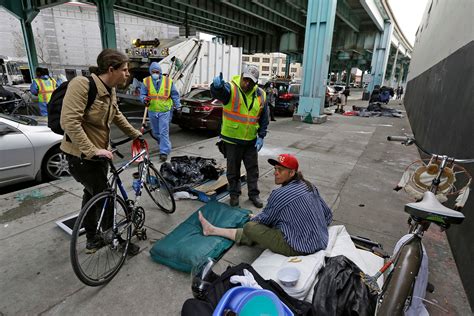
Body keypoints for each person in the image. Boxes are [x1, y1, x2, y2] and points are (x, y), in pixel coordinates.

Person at [60, 49, 142, 255]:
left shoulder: (110, 88)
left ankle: (92, 239)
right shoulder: (82, 85)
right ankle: (114, 239)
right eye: (124, 70)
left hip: (99, 156)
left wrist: (135, 134)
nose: (127, 74)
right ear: (111, 69)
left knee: (91, 195)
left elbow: (116, 115)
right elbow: (69, 121)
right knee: (106, 196)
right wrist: (92, 150)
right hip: (81, 157)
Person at [198, 154, 333, 256]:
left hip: (300, 247)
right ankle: (213, 230)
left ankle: (212, 230)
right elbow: (327, 215)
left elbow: (264, 221)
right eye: (275, 169)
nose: (275, 173)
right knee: (275, 221)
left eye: (280, 170)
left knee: (250, 227)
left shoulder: (280, 194)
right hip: (321, 239)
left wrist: (254, 219)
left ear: (291, 173)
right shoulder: (308, 185)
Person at [210, 65, 269, 208]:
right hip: (232, 140)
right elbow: (220, 93)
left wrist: (261, 136)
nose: (247, 83)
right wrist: (216, 87)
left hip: (250, 141)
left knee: (252, 170)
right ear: (242, 76)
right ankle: (234, 195)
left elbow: (263, 118)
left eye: (251, 81)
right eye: (246, 79)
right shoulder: (231, 89)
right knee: (233, 171)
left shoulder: (261, 94)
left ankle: (254, 194)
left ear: (256, 82)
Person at [140, 62, 181, 162]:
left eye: (157, 72)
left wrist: (178, 106)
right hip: (152, 110)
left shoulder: (168, 81)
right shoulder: (146, 81)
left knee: (163, 132)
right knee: (156, 132)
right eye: (153, 72)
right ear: (150, 72)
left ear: (160, 72)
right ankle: (165, 144)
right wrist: (144, 99)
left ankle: (164, 152)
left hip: (165, 110)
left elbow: (174, 94)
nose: (155, 73)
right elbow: (143, 94)